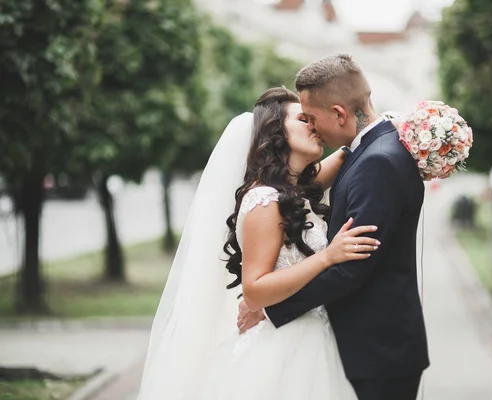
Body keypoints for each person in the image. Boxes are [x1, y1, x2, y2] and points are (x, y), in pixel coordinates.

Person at [136, 86, 378, 400]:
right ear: (276, 134)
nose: (314, 125)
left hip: (312, 341)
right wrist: (327, 257)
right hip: (283, 353)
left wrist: (374, 128)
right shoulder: (264, 200)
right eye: (303, 119)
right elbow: (255, 288)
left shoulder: (294, 192)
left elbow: (344, 154)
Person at [239, 54, 429, 400]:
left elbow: (350, 271)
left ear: (339, 113)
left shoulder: (377, 161)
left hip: (377, 350)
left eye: (312, 118)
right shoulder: (365, 152)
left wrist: (269, 310)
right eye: (303, 120)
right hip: (360, 347)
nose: (313, 127)